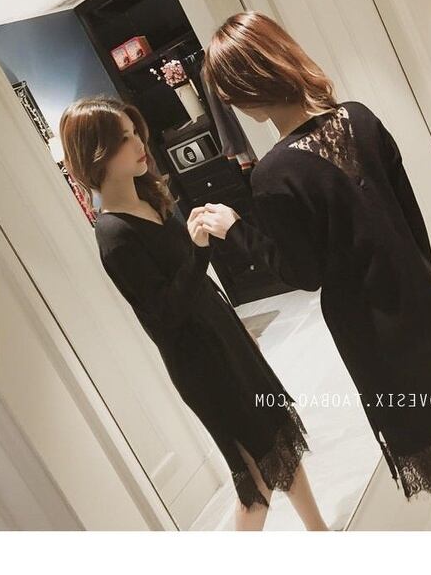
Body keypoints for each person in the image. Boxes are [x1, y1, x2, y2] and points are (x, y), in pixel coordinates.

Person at [195, 13, 431, 531]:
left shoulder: (274, 174)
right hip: (423, 300)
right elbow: (411, 219)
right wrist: (422, 284)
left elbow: (303, 272)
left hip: (374, 336)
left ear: (247, 90)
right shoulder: (361, 119)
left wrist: (236, 230)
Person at [60, 96, 328, 531]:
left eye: (135, 132)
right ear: (97, 154)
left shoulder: (148, 196)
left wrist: (233, 324)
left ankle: (320, 532)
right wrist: (198, 251)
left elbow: (195, 287)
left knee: (280, 435)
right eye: (125, 139)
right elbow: (165, 314)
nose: (139, 143)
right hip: (202, 365)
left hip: (222, 336)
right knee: (255, 477)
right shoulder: (114, 234)